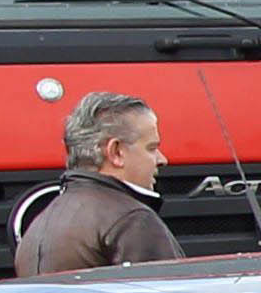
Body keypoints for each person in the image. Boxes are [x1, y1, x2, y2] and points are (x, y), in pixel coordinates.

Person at [10, 92, 182, 277]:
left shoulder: (38, 226)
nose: (162, 159)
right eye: (152, 148)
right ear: (116, 152)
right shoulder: (132, 219)